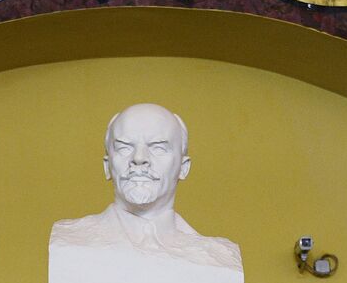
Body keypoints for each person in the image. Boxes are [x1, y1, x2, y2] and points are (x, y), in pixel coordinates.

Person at [50, 102, 241, 270]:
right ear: (107, 166)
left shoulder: (217, 257)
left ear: (183, 168)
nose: (139, 158)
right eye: (124, 147)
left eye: (158, 147)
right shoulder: (71, 239)